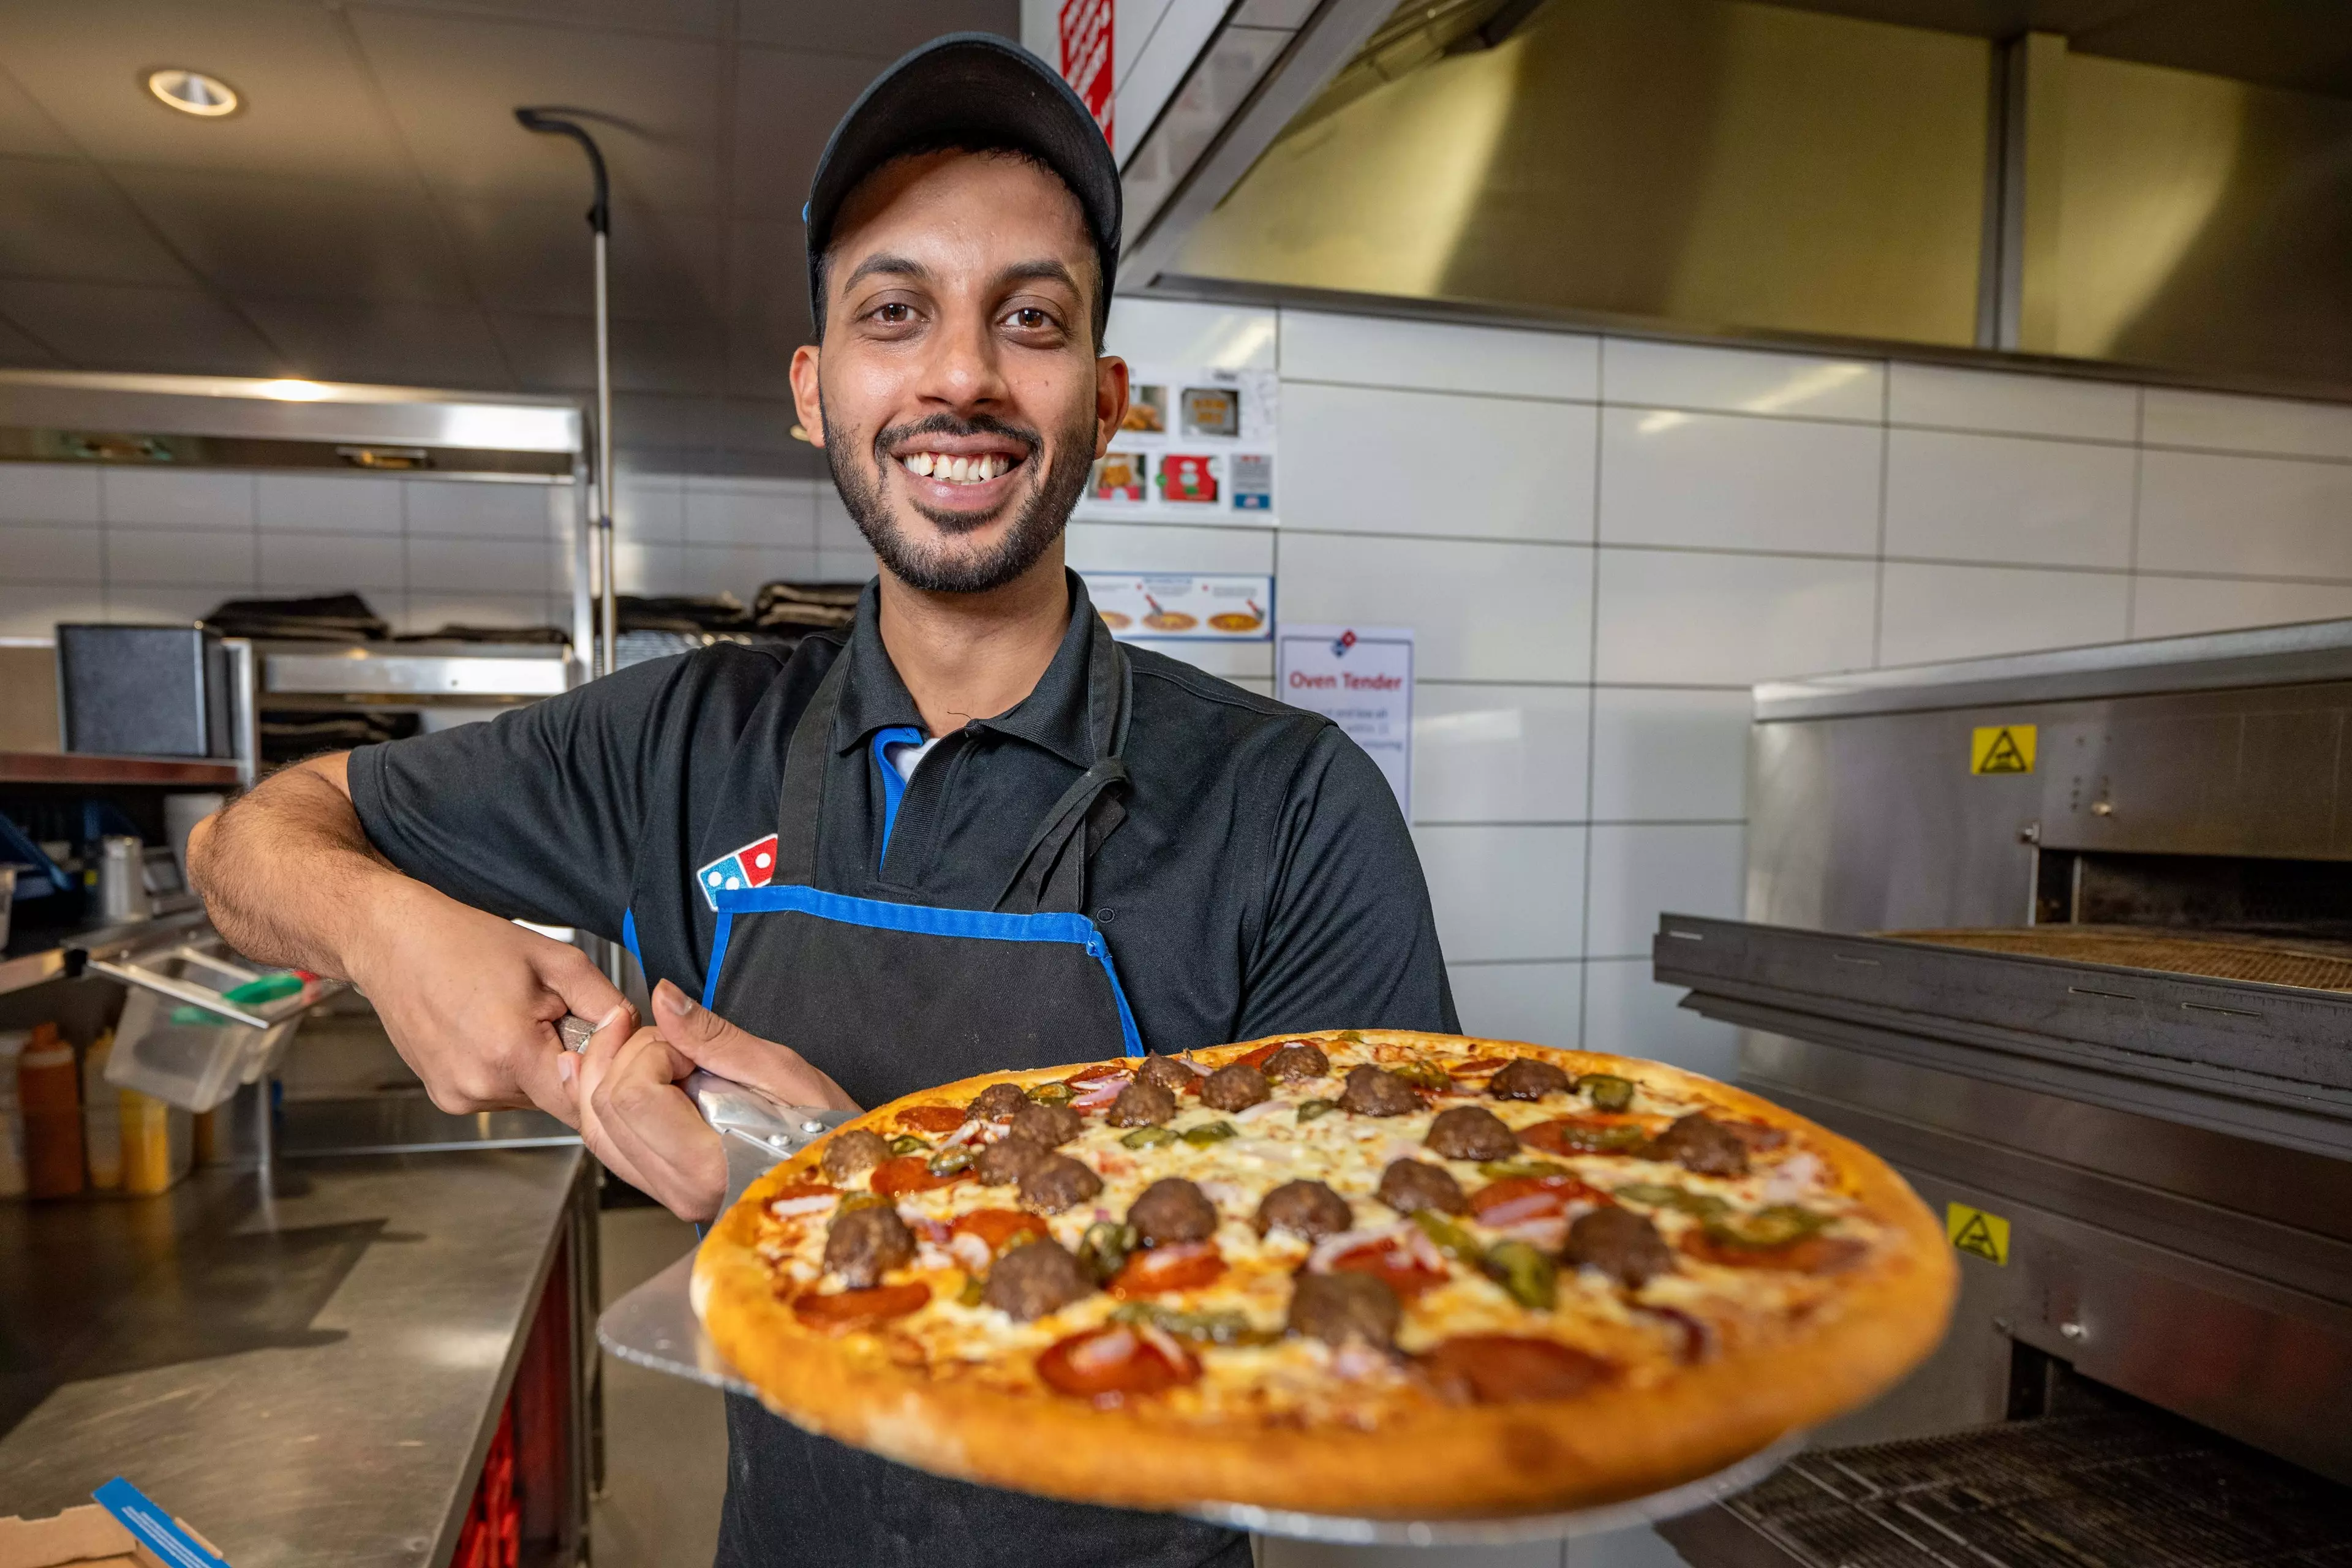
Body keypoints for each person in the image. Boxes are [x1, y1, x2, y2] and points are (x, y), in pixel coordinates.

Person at [190, 33, 1455, 1568]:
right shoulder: (675, 736)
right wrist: (391, 934)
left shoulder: (1293, 805)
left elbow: (1377, 1333)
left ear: (1106, 396)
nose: (963, 374)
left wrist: (853, 1196)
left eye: (1032, 318)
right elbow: (245, 840)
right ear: (814, 387)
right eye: (895, 311)